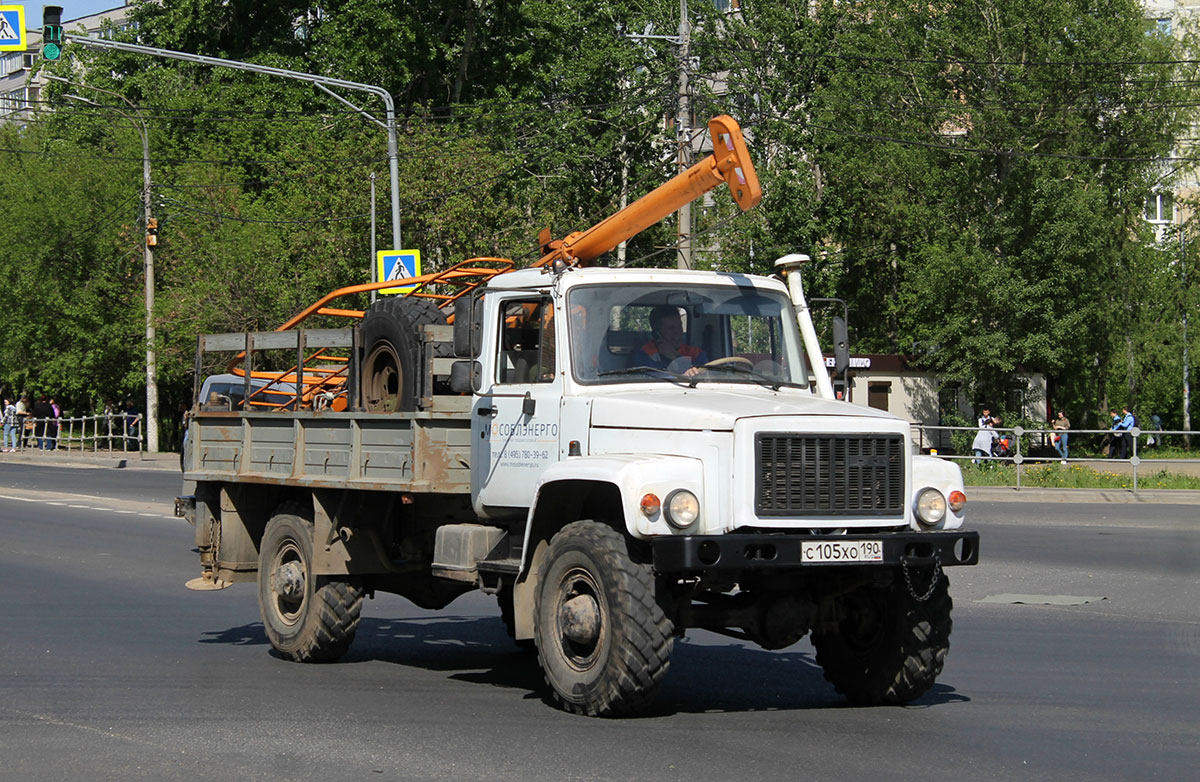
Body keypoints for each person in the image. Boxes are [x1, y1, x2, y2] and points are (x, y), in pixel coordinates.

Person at [635, 305, 708, 376]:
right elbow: (653, 380)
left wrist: (675, 356)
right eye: (671, 328)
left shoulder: (695, 353)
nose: (678, 332)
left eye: (680, 326)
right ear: (657, 332)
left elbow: (704, 376)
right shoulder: (646, 354)